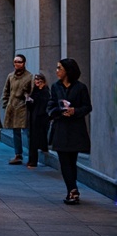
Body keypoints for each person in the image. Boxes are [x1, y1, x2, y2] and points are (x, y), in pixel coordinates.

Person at [47, 58, 91, 204]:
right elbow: (50, 106)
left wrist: (74, 111)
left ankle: (72, 190)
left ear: (68, 70)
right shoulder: (55, 87)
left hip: (76, 129)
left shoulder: (80, 87)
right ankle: (72, 190)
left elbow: (87, 107)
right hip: (61, 128)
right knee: (64, 161)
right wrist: (59, 111)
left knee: (72, 161)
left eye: (60, 68)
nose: (57, 71)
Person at [0, 53, 33, 165]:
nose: (17, 64)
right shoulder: (10, 76)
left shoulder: (29, 77)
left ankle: (31, 156)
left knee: (27, 132)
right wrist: (5, 103)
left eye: (19, 62)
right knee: (16, 132)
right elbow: (6, 90)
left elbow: (31, 92)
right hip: (12, 106)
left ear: (24, 63)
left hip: (23, 108)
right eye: (15, 62)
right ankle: (18, 154)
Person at [26, 71, 51, 167]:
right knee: (33, 139)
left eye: (39, 80)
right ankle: (32, 160)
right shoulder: (34, 91)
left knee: (39, 137)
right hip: (34, 118)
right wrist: (29, 101)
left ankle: (36, 157)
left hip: (42, 117)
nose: (37, 82)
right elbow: (30, 105)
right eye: (36, 80)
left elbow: (45, 103)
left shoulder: (45, 92)